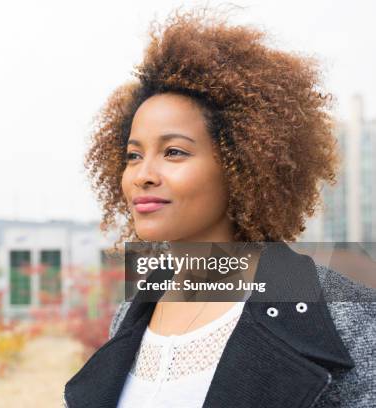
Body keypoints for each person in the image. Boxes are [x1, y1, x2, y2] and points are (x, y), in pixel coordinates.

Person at [63, 9, 376, 408]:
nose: (143, 174)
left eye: (174, 152)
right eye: (132, 156)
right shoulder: (131, 311)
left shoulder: (342, 317)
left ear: (240, 165)